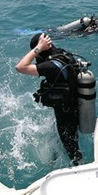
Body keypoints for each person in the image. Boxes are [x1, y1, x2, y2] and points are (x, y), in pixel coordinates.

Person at [15, 33, 83, 165]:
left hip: (66, 116)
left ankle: (79, 171)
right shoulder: (62, 55)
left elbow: (20, 67)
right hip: (73, 107)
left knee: (73, 152)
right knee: (68, 141)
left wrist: (38, 48)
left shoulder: (52, 66)